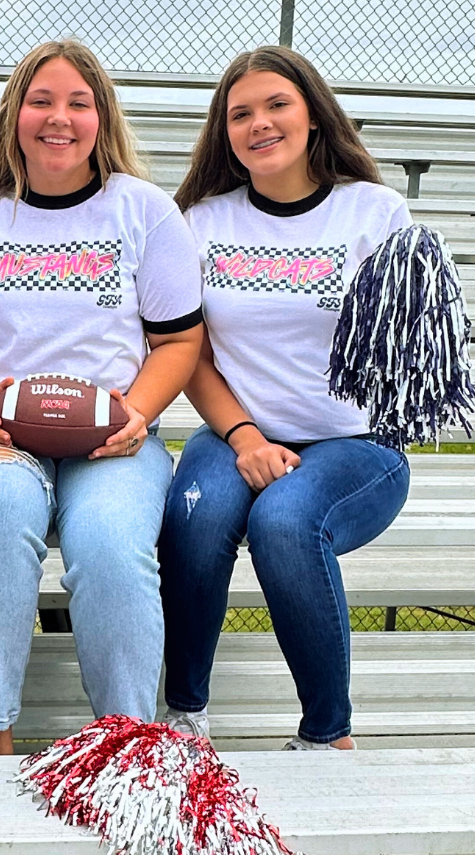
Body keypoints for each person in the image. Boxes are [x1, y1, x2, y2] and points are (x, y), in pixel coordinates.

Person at [0, 40, 204, 754]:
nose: (60, 118)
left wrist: (138, 413)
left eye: (78, 103)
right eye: (41, 101)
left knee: (111, 544)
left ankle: (129, 749)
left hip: (113, 435)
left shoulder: (145, 213)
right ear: (13, 116)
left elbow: (179, 342)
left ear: (102, 117)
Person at [158, 45, 412, 751]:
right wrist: (245, 437)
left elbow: (407, 345)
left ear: (313, 116)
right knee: (194, 519)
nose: (259, 124)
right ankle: (184, 714)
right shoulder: (203, 222)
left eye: (276, 105)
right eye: (240, 113)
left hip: (354, 443)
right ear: (224, 131)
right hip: (239, 431)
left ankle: (326, 735)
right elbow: (189, 356)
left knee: (285, 522)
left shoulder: (377, 212)